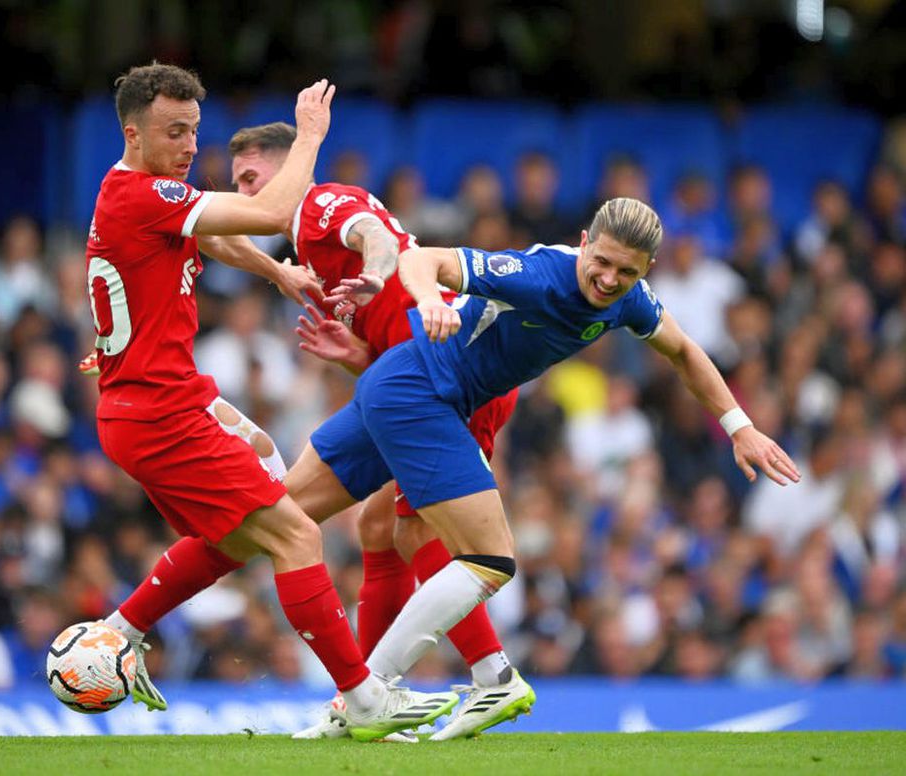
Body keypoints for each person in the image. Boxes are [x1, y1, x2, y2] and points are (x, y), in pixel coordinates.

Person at [278, 196, 800, 738]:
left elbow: (684, 351)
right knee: (470, 553)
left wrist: (740, 427)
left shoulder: (631, 300)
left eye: (626, 272)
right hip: (426, 388)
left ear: (646, 270)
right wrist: (429, 299)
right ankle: (383, 693)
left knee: (295, 516)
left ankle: (409, 690)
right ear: (584, 242)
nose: (609, 279)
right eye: (602, 262)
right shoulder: (538, 274)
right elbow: (420, 258)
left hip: (424, 388)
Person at [84, 62, 457, 742]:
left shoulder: (138, 193)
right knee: (296, 533)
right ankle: (364, 699)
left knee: (244, 524)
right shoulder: (140, 194)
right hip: (158, 410)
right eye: (173, 132)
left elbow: (213, 234)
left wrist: (275, 270)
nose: (189, 146)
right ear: (132, 133)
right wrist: (309, 136)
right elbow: (268, 213)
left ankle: (119, 632)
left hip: (160, 401)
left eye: (193, 131)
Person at [226, 121, 521, 740]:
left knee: (413, 532)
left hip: (446, 375)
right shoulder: (306, 246)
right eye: (238, 184)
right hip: (415, 374)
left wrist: (380, 272)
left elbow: (376, 239)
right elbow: (393, 328)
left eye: (252, 178)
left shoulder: (322, 204)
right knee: (378, 527)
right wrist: (357, 354)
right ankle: (367, 703)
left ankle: (488, 676)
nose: (245, 194)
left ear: (290, 169)